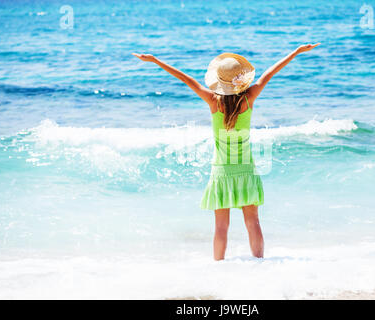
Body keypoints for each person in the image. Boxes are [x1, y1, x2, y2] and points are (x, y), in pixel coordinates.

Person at [133, 43, 320, 260]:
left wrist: (155, 61)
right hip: (246, 170)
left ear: (219, 81)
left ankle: (218, 270)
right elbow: (270, 73)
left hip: (221, 172)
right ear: (241, 79)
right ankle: (259, 265)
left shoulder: (213, 102)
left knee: (221, 227)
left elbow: (186, 80)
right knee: (253, 222)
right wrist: (296, 52)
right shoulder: (249, 99)